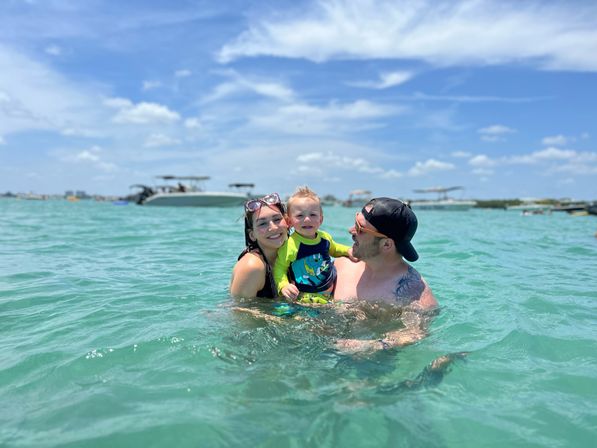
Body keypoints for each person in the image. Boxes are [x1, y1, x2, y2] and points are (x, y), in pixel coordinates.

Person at [332, 197, 438, 353]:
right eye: (355, 223)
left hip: (373, 365)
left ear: (387, 244)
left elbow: (417, 334)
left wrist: (369, 346)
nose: (351, 231)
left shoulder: (413, 291)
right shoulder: (341, 265)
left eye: (360, 228)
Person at [273, 186, 356, 304]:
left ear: (321, 219)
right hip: (306, 297)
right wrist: (283, 286)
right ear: (290, 221)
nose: (307, 219)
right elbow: (280, 268)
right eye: (300, 216)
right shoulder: (290, 245)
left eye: (313, 215)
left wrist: (348, 250)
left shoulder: (325, 237)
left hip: (330, 292)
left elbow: (335, 249)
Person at [230, 193, 288, 299]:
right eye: (262, 224)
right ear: (252, 235)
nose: (273, 227)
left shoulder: (294, 253)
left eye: (277, 219)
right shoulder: (252, 267)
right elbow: (239, 311)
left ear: (288, 222)